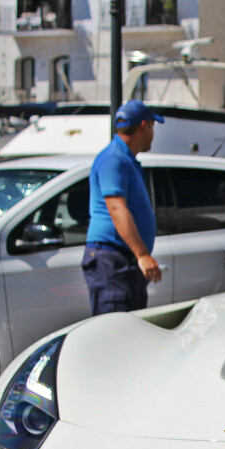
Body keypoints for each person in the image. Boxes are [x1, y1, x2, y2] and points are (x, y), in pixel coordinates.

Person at [82, 100, 164, 315]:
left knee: (128, 332)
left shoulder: (124, 159)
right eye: (153, 127)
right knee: (116, 333)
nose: (153, 133)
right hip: (112, 261)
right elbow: (116, 207)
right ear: (144, 125)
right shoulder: (114, 159)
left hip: (121, 261)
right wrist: (143, 254)